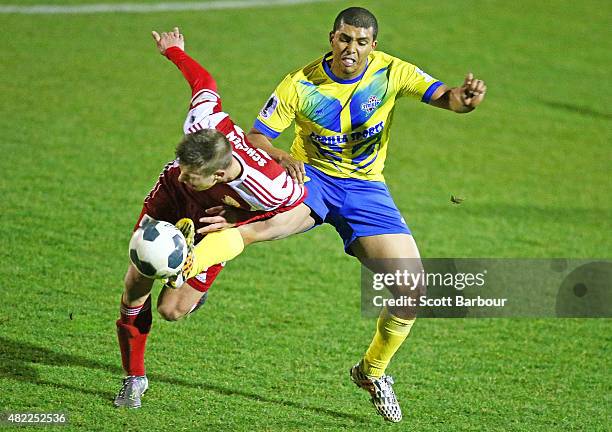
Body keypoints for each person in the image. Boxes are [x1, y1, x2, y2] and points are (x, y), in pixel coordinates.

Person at [240, 7, 487, 422]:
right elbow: (256, 136)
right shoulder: (300, 83)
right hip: (312, 179)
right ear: (331, 38)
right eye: (344, 39)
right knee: (253, 230)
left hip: (366, 191)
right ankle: (196, 266)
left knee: (412, 290)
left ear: (373, 45)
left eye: (360, 42)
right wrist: (281, 155)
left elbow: (446, 97)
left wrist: (465, 101)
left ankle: (371, 372)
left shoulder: (392, 72)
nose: (350, 49)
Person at [113, 28, 307, 409]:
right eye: (182, 165)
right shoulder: (202, 125)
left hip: (213, 221)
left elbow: (288, 211)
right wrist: (174, 52)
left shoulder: (270, 186)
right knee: (138, 278)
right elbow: (204, 83)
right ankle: (134, 378)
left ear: (218, 175)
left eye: (191, 174)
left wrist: (236, 219)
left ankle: (191, 297)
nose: (182, 172)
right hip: (168, 201)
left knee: (171, 310)